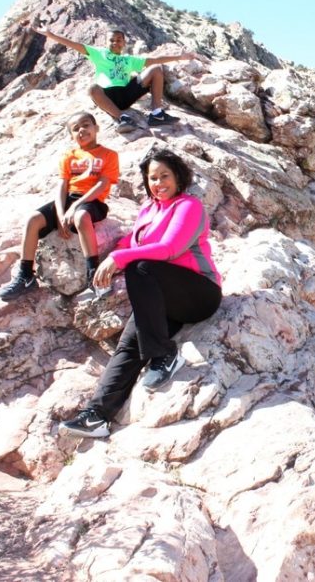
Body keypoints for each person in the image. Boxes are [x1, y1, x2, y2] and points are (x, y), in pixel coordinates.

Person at [60, 148, 223, 438]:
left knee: (141, 267)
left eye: (165, 176)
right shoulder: (149, 209)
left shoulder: (189, 206)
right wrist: (111, 259)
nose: (158, 183)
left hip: (199, 294)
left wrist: (121, 260)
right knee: (128, 345)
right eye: (153, 178)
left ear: (179, 177)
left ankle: (164, 355)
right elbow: (130, 243)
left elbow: (170, 249)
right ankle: (97, 416)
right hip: (163, 298)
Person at [0, 112, 120, 301]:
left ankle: (92, 274)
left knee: (80, 217)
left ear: (96, 128)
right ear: (71, 135)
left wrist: (76, 206)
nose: (81, 130)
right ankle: (26, 276)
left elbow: (102, 184)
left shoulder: (109, 155)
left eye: (86, 125)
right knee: (33, 220)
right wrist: (61, 214)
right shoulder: (69, 156)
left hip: (92, 201)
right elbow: (62, 186)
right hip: (69, 199)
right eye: (75, 129)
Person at [30, 24, 205, 131]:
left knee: (156, 69)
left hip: (126, 93)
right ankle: (122, 118)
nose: (115, 43)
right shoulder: (98, 54)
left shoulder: (128, 59)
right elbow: (73, 45)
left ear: (124, 43)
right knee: (92, 89)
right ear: (106, 42)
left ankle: (156, 113)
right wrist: (50, 35)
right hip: (109, 96)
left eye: (119, 40)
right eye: (112, 40)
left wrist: (179, 58)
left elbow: (155, 59)